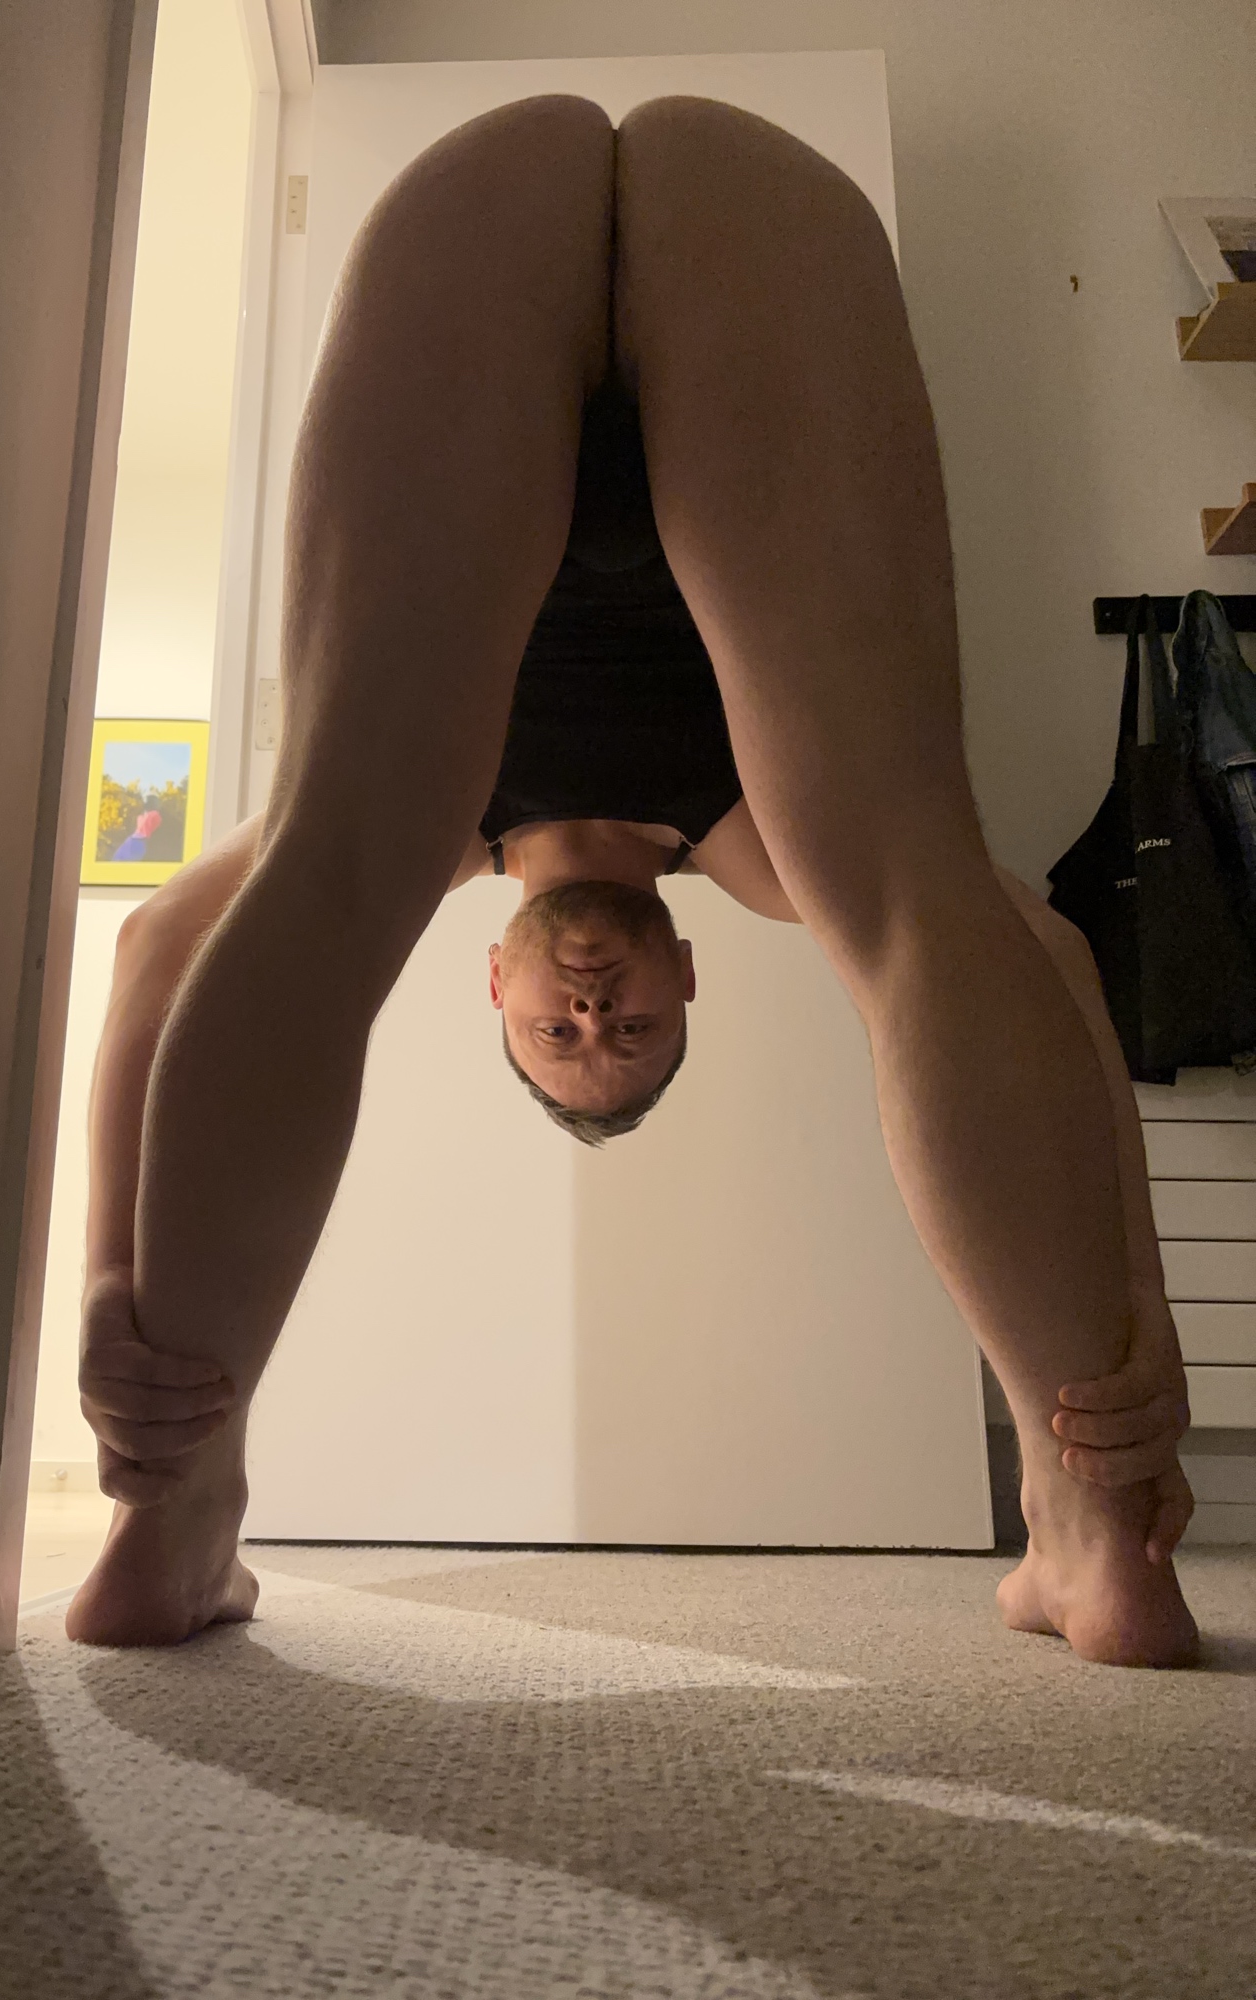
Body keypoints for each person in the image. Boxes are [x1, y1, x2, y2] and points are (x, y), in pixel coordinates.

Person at [62, 96, 1196, 1665]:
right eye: (631, 1036)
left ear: (498, 984)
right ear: (685, 978)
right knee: (915, 885)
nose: (595, 1014)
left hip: (489, 219)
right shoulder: (765, 853)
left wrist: (112, 1281)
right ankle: (1095, 1522)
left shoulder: (433, 841)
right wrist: (1141, 1318)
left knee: (322, 871)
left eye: (562, 1037)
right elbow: (1054, 956)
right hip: (748, 224)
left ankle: (169, 1508)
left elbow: (151, 949)